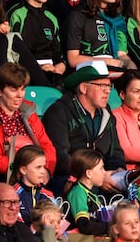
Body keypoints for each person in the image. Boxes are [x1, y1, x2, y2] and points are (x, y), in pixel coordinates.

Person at [42, 60, 126, 190]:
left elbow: (115, 151)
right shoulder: (59, 112)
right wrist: (95, 176)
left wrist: (118, 172)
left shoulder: (106, 112)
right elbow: (60, 157)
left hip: (101, 175)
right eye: (101, 86)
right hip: (71, 177)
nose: (107, 91)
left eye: (109, 86)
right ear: (83, 88)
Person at [0, 62, 57, 183]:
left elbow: (47, 146)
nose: (20, 95)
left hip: (32, 172)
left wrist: (46, 169)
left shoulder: (29, 113)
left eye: (23, 89)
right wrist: (29, 170)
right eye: (14, 90)